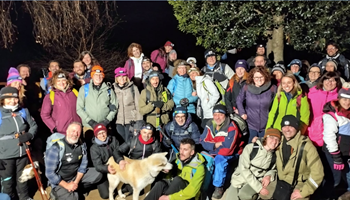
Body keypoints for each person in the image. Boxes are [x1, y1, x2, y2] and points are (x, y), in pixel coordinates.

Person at [262, 115, 324, 200]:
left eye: (291, 126)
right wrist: (269, 175)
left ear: (296, 128)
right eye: (285, 126)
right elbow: (266, 140)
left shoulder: (306, 146)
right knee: (264, 192)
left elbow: (318, 173)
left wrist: (304, 191)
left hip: (298, 182)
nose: (287, 129)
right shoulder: (278, 141)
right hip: (280, 179)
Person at [45, 122, 104, 200]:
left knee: (99, 174)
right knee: (74, 198)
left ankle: (76, 189)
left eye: (78, 132)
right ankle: (55, 192)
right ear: (67, 131)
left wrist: (76, 182)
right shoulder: (56, 148)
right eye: (73, 131)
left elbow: (83, 166)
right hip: (61, 181)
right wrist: (67, 185)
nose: (75, 134)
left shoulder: (82, 145)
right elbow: (49, 173)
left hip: (75, 176)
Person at [0, 87, 37, 200]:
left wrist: (29, 135)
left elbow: (33, 125)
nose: (13, 101)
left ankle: (24, 197)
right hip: (5, 155)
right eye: (9, 98)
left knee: (23, 178)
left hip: (23, 153)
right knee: (7, 181)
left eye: (15, 98)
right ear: (3, 99)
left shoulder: (23, 111)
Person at [200, 104, 244, 199]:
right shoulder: (209, 124)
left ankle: (218, 187)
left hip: (233, 153)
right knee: (201, 159)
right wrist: (215, 145)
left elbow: (228, 149)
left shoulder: (232, 127)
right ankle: (204, 186)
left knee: (219, 160)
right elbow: (202, 141)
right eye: (215, 114)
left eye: (220, 114)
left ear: (225, 115)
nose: (217, 117)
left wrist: (211, 147)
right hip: (213, 151)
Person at [222, 128, 280, 200]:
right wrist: (259, 188)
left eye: (277, 139)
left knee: (245, 195)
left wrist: (269, 175)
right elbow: (243, 169)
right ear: (266, 138)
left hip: (257, 180)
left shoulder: (275, 155)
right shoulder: (250, 148)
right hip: (240, 179)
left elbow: (274, 169)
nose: (274, 141)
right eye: (271, 137)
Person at [321, 87, 350, 198]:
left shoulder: (348, 113)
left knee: (346, 178)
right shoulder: (332, 114)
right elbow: (329, 137)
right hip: (334, 153)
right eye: (344, 99)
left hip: (346, 153)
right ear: (338, 99)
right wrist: (336, 156)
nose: (347, 102)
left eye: (349, 100)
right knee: (334, 179)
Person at [236, 66, 277, 143]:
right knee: (250, 148)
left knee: (264, 148)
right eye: (256, 77)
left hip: (267, 124)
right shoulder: (246, 87)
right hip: (250, 124)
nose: (259, 79)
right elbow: (239, 100)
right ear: (252, 78)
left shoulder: (272, 88)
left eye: (261, 76)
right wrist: (242, 112)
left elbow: (278, 104)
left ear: (265, 76)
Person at [76, 65, 118, 140]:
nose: (98, 77)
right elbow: (79, 108)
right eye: (96, 75)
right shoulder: (84, 89)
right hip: (89, 126)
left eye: (100, 75)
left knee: (106, 147)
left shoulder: (108, 90)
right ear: (92, 76)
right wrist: (90, 121)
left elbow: (114, 107)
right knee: (91, 147)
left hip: (105, 125)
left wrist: (107, 121)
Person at [90, 124, 127, 199]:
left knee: (129, 188)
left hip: (116, 166)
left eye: (103, 132)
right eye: (99, 134)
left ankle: (119, 189)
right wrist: (107, 168)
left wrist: (120, 161)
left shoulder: (113, 140)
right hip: (103, 171)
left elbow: (118, 152)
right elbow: (97, 165)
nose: (102, 135)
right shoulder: (93, 148)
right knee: (105, 194)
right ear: (96, 135)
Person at [41, 70, 81, 135]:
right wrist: (54, 127)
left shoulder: (75, 92)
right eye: (58, 81)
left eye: (63, 80)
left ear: (67, 81)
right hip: (61, 132)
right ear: (54, 82)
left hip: (76, 130)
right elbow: (44, 115)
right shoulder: (50, 96)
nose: (61, 83)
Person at [307, 72, 342, 147]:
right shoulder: (311, 93)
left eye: (332, 80)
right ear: (322, 81)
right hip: (311, 132)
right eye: (327, 80)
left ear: (337, 82)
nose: (329, 83)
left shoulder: (340, 97)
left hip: (331, 135)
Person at [113, 67, 142, 142]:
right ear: (116, 78)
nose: (122, 78)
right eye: (119, 76)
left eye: (123, 76)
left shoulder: (133, 88)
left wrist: (139, 121)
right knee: (121, 142)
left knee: (130, 141)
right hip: (118, 120)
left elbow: (138, 105)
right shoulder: (113, 89)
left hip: (131, 120)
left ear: (126, 77)